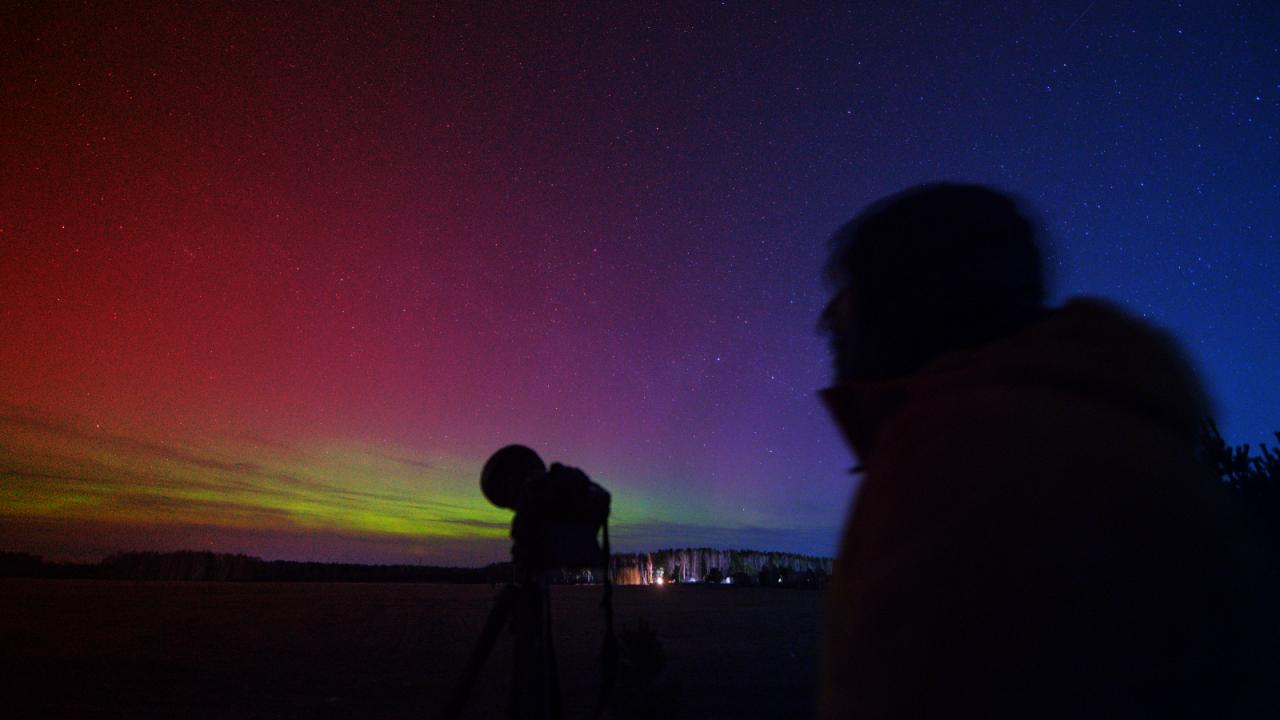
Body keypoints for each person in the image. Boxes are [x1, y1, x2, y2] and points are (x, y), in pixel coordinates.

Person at [817, 184, 1274, 718]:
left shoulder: (953, 459)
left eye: (849, 296)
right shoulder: (1125, 426)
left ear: (903, 303)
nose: (828, 322)